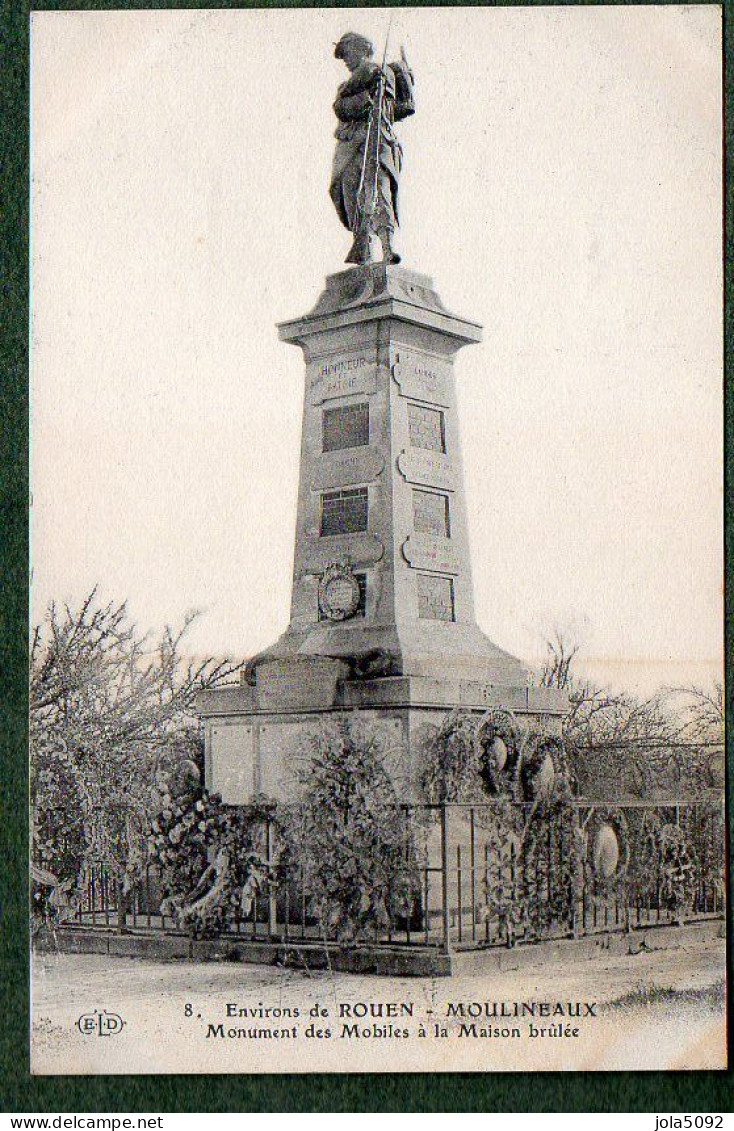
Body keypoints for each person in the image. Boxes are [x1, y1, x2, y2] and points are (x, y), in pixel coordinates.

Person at [329, 32, 415, 265]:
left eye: (347, 52)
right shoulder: (348, 86)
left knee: (380, 193)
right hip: (351, 145)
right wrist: (367, 96)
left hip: (379, 140)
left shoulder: (385, 72)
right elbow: (342, 109)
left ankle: (388, 249)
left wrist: (403, 78)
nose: (345, 59)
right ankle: (363, 248)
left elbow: (401, 109)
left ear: (362, 49)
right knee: (353, 197)